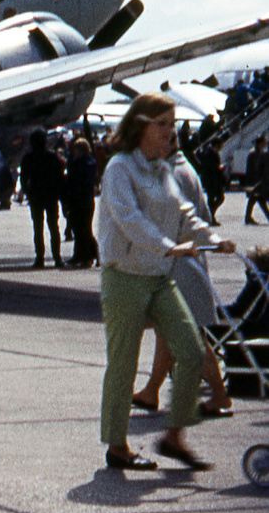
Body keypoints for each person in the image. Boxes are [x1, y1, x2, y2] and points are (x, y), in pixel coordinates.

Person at [96, 93, 233, 472]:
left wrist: (212, 239)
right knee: (122, 364)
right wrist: (170, 247)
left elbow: (184, 211)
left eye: (173, 125)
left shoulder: (161, 169)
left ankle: (174, 437)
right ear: (141, 125)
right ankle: (118, 447)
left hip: (158, 275)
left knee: (191, 351)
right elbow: (128, 219)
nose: (171, 133)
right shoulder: (119, 168)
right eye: (163, 124)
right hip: (124, 275)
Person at [131, 155, 234, 418]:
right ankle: (151, 391)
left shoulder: (167, 175)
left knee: (191, 337)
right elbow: (203, 215)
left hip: (177, 264)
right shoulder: (187, 170)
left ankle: (220, 396)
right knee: (169, 333)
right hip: (188, 261)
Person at [21, 130, 66, 268]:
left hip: (36, 195)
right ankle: (57, 258)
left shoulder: (28, 158)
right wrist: (59, 193)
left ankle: (39, 257)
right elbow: (60, 177)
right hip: (50, 195)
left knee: (38, 228)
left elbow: (24, 178)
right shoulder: (52, 157)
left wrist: (28, 193)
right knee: (53, 227)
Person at [64, 138, 98, 267]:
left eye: (75, 150)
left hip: (84, 199)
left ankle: (88, 256)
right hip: (76, 199)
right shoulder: (75, 162)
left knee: (83, 229)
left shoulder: (87, 163)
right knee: (77, 229)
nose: (73, 152)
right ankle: (80, 255)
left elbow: (85, 181)